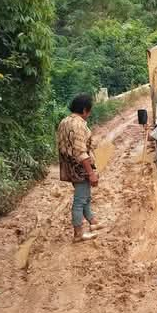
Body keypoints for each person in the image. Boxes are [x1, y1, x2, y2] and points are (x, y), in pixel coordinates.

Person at [57, 93, 101, 243]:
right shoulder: (79, 124)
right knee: (80, 200)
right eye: (89, 110)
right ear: (84, 110)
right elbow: (81, 152)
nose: (89, 114)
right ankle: (78, 233)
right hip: (80, 166)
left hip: (69, 164)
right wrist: (91, 173)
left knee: (85, 196)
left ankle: (92, 222)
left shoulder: (64, 121)